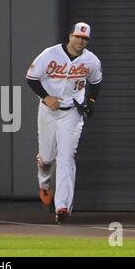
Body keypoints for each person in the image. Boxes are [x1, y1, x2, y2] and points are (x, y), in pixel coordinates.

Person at [26, 22, 102, 224]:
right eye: (78, 36)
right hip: (49, 112)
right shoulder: (50, 54)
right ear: (70, 36)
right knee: (47, 157)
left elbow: (96, 82)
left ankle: (62, 207)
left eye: (85, 38)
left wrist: (91, 101)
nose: (81, 41)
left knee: (66, 158)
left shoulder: (91, 60)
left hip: (72, 114)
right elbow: (31, 78)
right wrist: (46, 96)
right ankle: (44, 182)